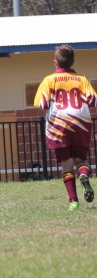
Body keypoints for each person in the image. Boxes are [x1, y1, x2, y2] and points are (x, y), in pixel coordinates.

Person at [34, 45, 97, 211]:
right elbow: (93, 101)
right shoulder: (82, 79)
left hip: (59, 124)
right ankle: (83, 175)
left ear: (56, 63)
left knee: (67, 164)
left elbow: (42, 104)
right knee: (81, 160)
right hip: (81, 123)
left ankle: (73, 202)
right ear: (73, 62)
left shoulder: (49, 80)